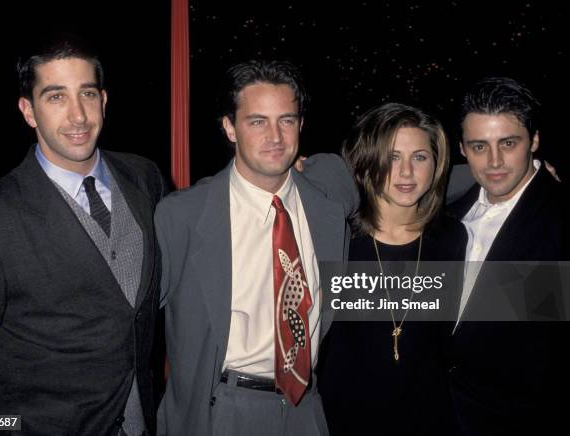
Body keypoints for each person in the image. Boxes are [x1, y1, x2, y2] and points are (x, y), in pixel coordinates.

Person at [0, 35, 166, 435]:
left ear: (103, 101)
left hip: (141, 421)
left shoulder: (145, 178)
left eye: (87, 94)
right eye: (56, 97)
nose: (78, 116)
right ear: (28, 111)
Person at [154, 60, 358, 435]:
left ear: (301, 125)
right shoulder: (181, 216)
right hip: (222, 411)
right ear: (229, 127)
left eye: (286, 120)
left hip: (306, 410)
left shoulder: (329, 206)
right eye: (257, 121)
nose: (275, 136)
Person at [317, 102, 467, 435]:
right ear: (370, 160)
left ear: (437, 163)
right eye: (393, 156)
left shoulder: (452, 238)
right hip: (341, 418)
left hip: (431, 417)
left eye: (420, 157)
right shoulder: (337, 235)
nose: (406, 173)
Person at [447, 77, 568, 435]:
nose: (495, 161)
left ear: (534, 141)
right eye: (480, 146)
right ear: (463, 149)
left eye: (509, 143)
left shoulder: (559, 221)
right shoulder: (448, 214)